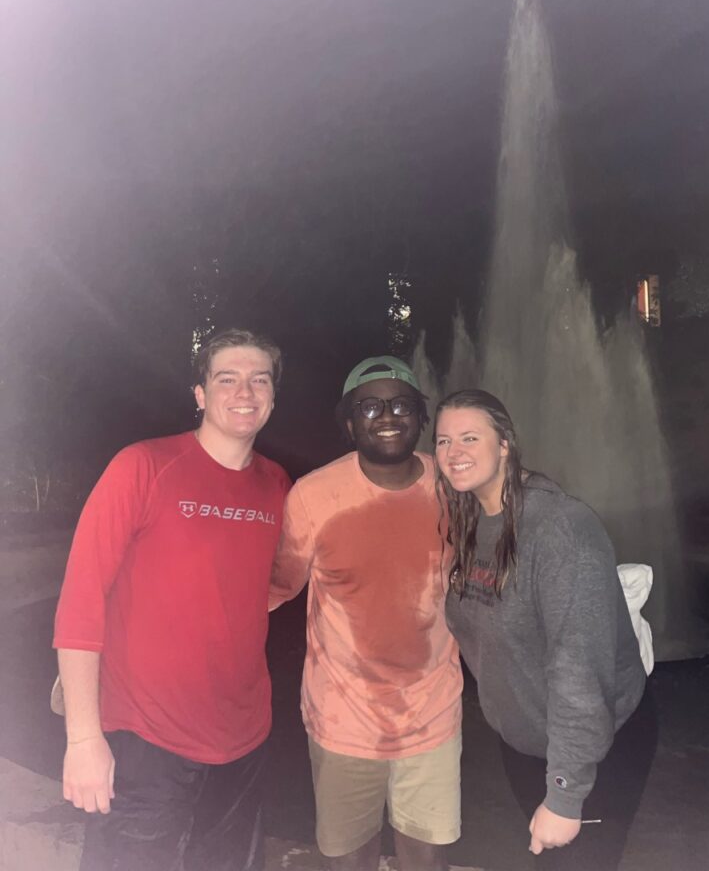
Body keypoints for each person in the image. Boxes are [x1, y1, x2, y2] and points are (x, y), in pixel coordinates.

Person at [53, 328, 291, 871]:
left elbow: (275, 579)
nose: (245, 392)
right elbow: (80, 603)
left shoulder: (276, 484)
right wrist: (84, 738)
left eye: (260, 380)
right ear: (201, 394)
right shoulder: (142, 466)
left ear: (273, 397)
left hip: (243, 736)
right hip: (144, 737)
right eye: (226, 378)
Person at [434, 389, 653, 869]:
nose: (454, 453)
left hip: (592, 753)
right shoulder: (473, 521)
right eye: (444, 441)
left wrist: (564, 793)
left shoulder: (561, 531)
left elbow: (579, 670)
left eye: (471, 437)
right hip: (525, 745)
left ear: (505, 445)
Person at [269, 356, 463, 871]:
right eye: (369, 406)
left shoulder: (454, 489)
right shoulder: (314, 495)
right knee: (347, 858)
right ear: (350, 422)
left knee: (428, 859)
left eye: (401, 404)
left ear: (421, 417)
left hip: (434, 716)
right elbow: (274, 587)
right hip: (342, 721)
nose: (387, 416)